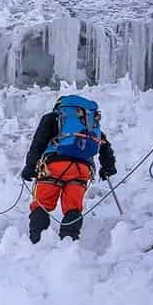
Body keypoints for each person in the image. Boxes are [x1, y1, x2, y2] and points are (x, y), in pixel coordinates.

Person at [21, 95, 117, 243]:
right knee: (73, 207)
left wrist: (30, 167)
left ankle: (37, 242)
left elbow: (38, 143)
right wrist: (108, 168)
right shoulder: (89, 125)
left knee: (41, 204)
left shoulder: (52, 118)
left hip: (53, 166)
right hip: (81, 170)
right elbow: (104, 145)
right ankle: (69, 242)